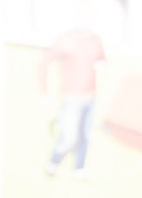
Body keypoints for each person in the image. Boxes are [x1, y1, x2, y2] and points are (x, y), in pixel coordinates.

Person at [40, 7, 107, 179]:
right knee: (69, 138)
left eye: (90, 16)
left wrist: (102, 65)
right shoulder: (66, 39)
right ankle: (53, 162)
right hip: (71, 99)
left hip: (91, 97)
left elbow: (102, 59)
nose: (87, 20)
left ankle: (79, 168)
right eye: (83, 15)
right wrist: (44, 92)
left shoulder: (95, 39)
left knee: (85, 135)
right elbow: (44, 63)